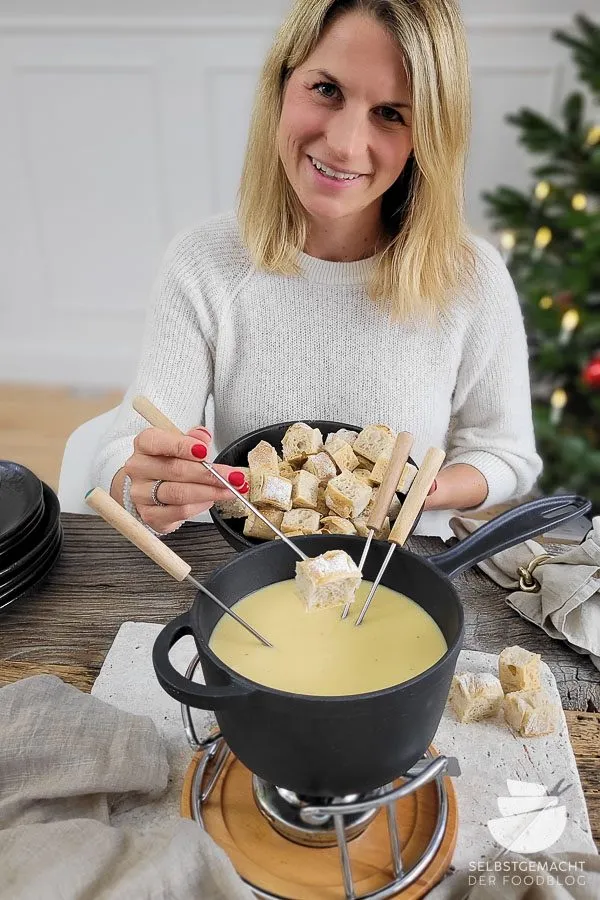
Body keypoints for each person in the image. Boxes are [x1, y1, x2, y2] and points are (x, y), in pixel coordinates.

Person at [91, 0, 542, 539]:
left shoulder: (473, 277)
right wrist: (142, 486)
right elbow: (121, 457)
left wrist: (412, 491)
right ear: (282, 84)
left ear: (427, 136)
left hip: (404, 570)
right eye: (327, 90)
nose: (345, 144)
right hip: (252, 570)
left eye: (392, 113)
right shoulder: (203, 262)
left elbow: (506, 454)